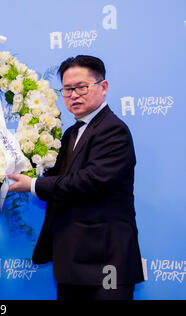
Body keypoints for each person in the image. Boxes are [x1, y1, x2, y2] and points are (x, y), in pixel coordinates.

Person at [8, 55, 144, 300]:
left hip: (106, 262)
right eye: (67, 89)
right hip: (71, 261)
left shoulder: (114, 130)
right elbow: (54, 175)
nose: (73, 95)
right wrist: (0, 172)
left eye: (81, 87)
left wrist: (33, 185)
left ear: (103, 87)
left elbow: (91, 181)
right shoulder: (71, 133)